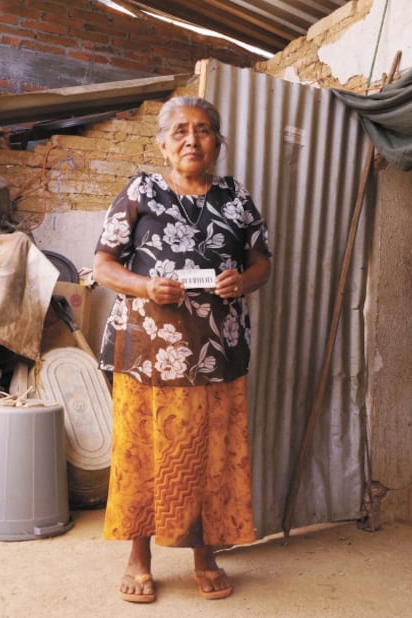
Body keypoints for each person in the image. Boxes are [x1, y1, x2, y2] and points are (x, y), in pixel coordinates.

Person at [93, 95, 272, 604]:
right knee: (143, 453)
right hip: (147, 354)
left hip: (217, 354)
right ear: (163, 144)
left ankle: (204, 553)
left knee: (210, 457)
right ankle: (138, 556)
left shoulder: (236, 198)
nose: (191, 140)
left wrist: (244, 282)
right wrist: (147, 286)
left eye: (203, 130)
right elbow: (103, 264)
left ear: (218, 142)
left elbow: (263, 263)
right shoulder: (141, 191)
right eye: (180, 132)